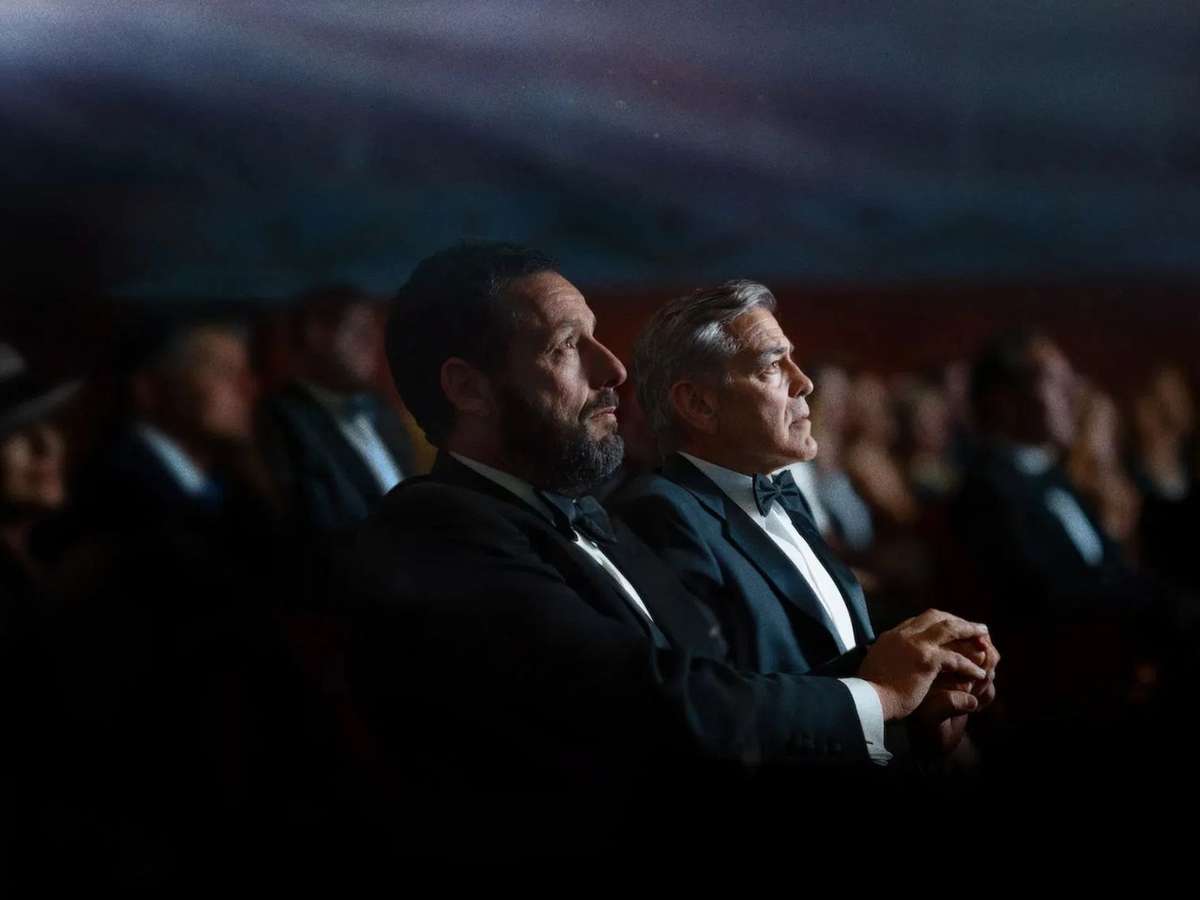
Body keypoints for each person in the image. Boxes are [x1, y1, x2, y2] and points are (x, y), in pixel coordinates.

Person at [344, 242, 992, 816]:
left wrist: (910, 687)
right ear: (469, 390)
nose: (613, 369)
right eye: (566, 345)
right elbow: (658, 707)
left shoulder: (587, 516)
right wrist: (879, 696)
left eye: (596, 337)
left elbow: (723, 684)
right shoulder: (438, 530)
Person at [610, 280, 996, 759]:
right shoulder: (658, 513)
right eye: (772, 366)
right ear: (699, 404)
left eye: (792, 358)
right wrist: (886, 695)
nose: (804, 381)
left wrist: (924, 692)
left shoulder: (785, 493)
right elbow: (719, 706)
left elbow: (839, 662)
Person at [259, 285, 418, 535]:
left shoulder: (382, 411)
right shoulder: (283, 419)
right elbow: (316, 525)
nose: (373, 345)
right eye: (361, 333)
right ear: (316, 336)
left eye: (374, 333)